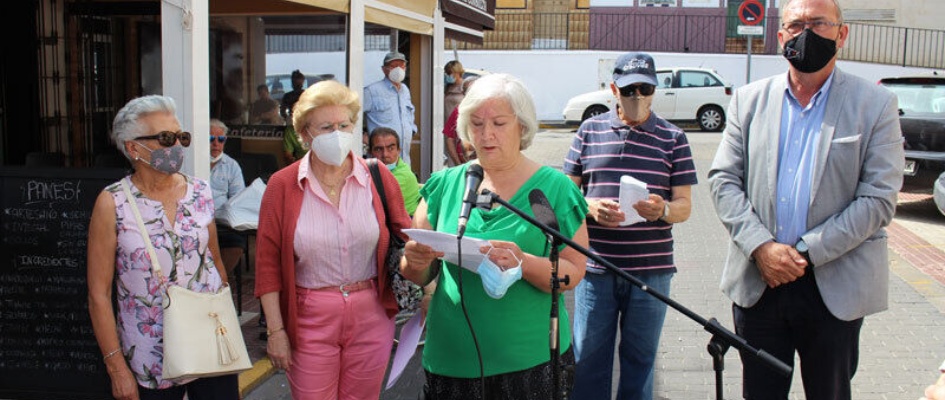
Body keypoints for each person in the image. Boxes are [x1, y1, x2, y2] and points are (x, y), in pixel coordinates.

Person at [707, 0, 905, 398]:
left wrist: (802, 253)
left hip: (834, 286)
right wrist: (762, 247)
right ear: (780, 37)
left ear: (841, 34)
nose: (806, 34)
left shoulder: (876, 104)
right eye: (796, 25)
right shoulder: (749, 100)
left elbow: (879, 198)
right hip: (759, 280)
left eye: (818, 23)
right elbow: (723, 180)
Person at [401, 73, 590, 399]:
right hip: (452, 360)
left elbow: (574, 271)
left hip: (530, 362)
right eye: (476, 124)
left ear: (522, 126)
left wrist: (524, 263)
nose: (486, 135)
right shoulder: (445, 185)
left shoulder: (554, 190)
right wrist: (414, 261)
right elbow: (419, 271)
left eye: (499, 123)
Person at [254, 79, 411, 399]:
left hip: (371, 310)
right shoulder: (281, 185)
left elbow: (406, 236)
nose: (337, 134)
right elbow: (267, 265)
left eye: (344, 124)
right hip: (309, 315)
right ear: (304, 134)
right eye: (326, 127)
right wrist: (276, 331)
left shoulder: (378, 176)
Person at [563, 51, 697, 400]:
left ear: (655, 90)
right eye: (629, 90)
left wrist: (662, 209)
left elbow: (684, 207)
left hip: (651, 272)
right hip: (596, 267)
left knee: (640, 361)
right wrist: (590, 208)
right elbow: (566, 194)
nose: (638, 97)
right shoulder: (589, 130)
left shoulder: (674, 138)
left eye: (645, 89)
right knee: (588, 359)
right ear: (613, 90)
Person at [87, 95, 237, 400]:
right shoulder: (112, 203)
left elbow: (216, 263)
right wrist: (117, 368)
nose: (177, 146)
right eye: (166, 138)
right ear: (132, 147)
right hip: (149, 352)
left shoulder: (200, 191)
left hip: (208, 343)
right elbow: (98, 294)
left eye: (181, 137)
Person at [363, 52, 417, 167]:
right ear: (384, 69)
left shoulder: (405, 90)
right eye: (393, 66)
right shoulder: (372, 91)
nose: (398, 69)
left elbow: (410, 115)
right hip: (381, 160)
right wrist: (363, 136)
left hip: (404, 160)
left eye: (401, 66)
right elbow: (353, 115)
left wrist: (411, 131)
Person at [209, 119, 246, 276]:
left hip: (221, 222)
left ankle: (218, 282)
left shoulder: (232, 165)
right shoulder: (193, 161)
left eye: (221, 139)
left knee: (236, 243)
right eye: (211, 139)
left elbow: (238, 199)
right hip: (197, 222)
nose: (216, 144)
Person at [369, 126, 420, 216]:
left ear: (398, 151)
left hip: (403, 227)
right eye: (378, 149)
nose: (385, 155)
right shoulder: (372, 169)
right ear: (370, 152)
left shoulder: (403, 176)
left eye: (390, 148)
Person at [442, 77, 477, 167]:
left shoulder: (488, 110)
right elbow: (449, 138)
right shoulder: (459, 110)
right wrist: (457, 163)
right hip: (464, 164)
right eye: (467, 91)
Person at [282, 70, 308, 165]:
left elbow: (282, 112)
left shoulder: (307, 95)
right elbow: (282, 112)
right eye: (295, 81)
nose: (297, 83)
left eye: (299, 81)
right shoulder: (290, 131)